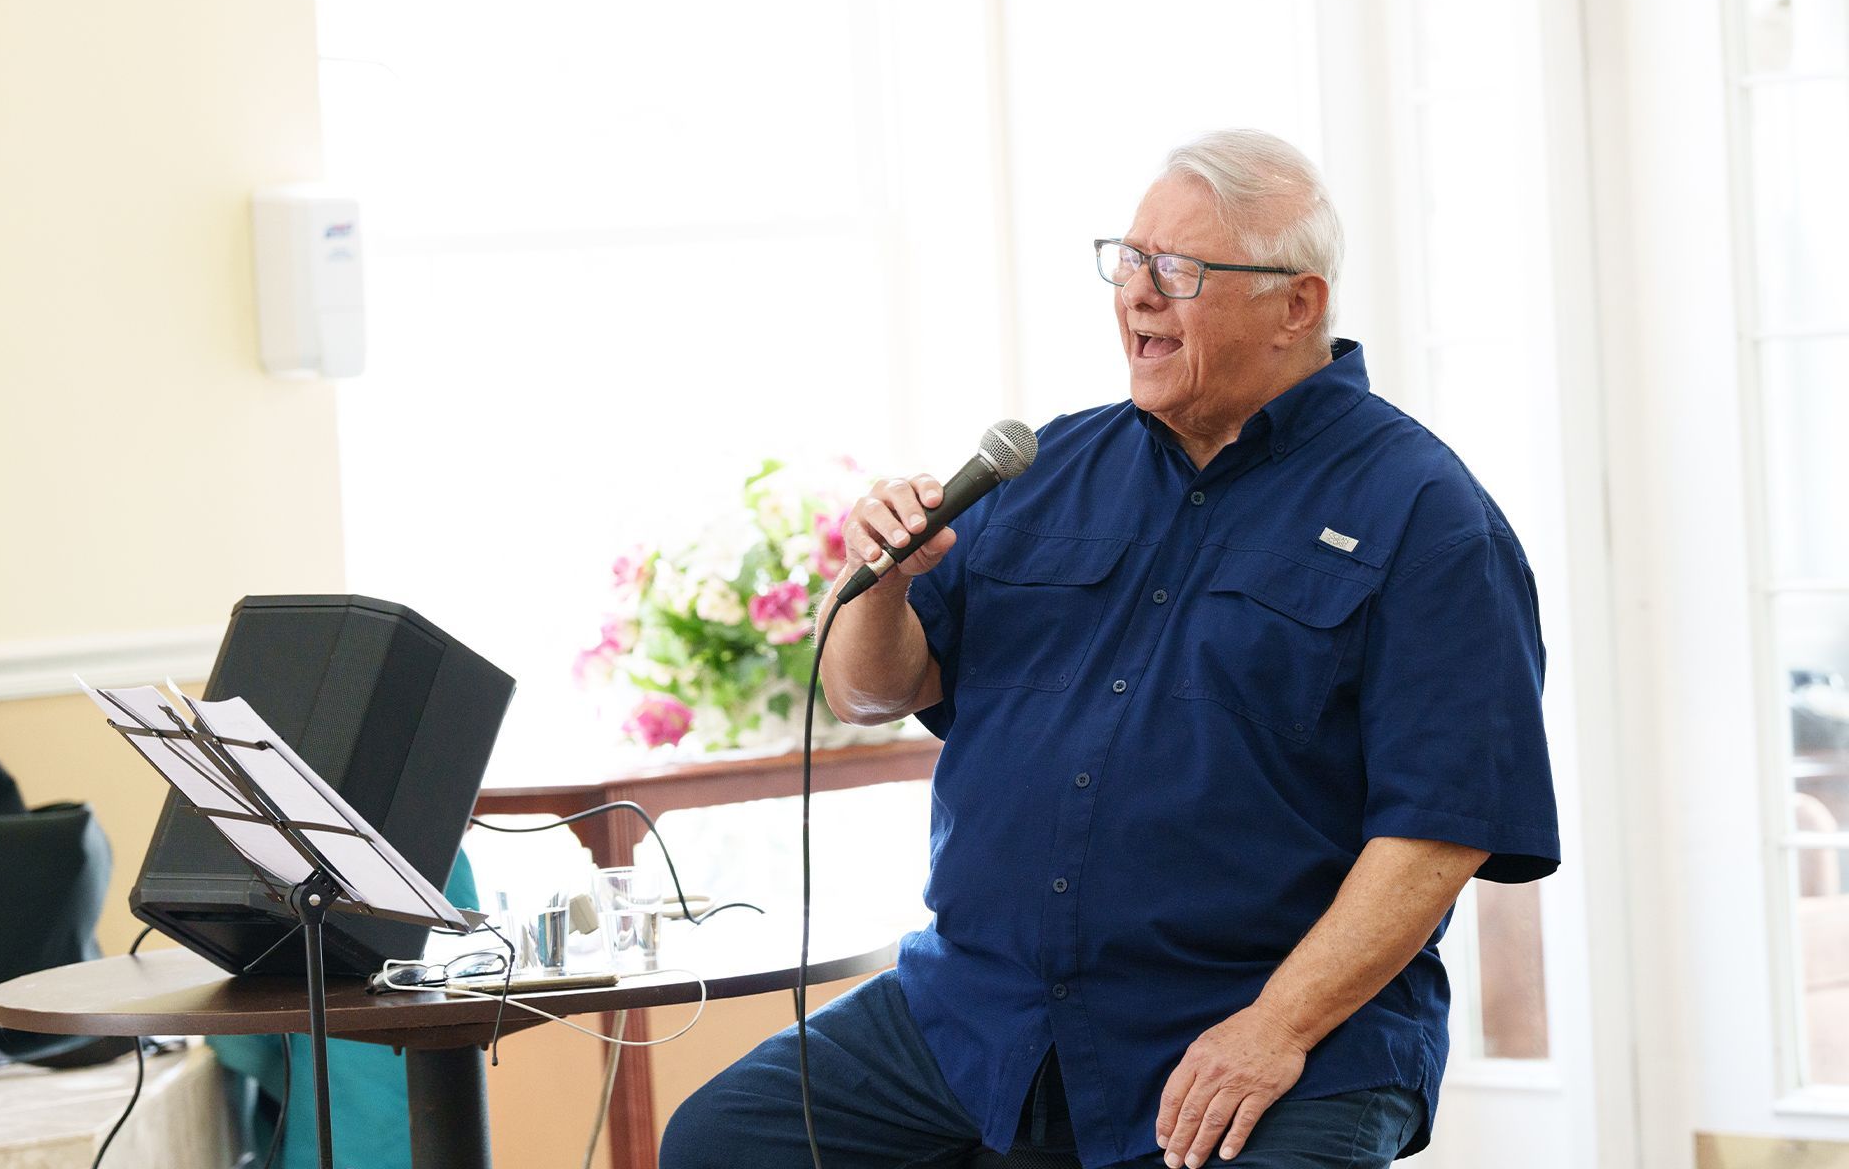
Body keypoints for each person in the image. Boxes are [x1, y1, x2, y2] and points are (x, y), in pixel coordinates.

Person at [660, 130, 1559, 1169]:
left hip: (1271, 1027)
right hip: (982, 1013)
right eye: (1126, 259)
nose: (1138, 294)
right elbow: (872, 691)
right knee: (725, 1139)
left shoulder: (1429, 517)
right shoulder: (1041, 469)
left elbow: (1439, 834)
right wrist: (884, 580)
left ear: (1298, 305)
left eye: (1179, 270)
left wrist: (1273, 1027)